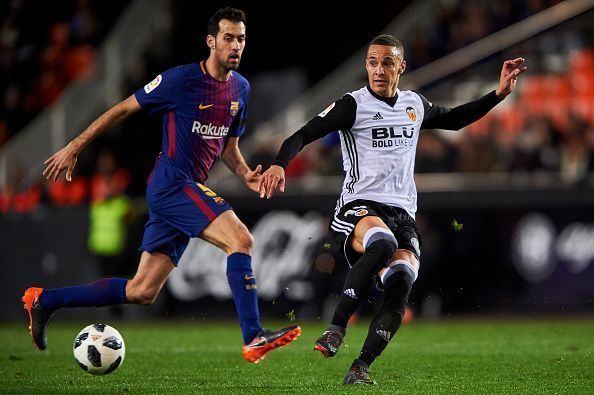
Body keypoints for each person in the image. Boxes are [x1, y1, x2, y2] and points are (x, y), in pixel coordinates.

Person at [23, 7, 301, 364]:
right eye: (228, 38)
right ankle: (253, 336)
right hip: (172, 184)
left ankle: (44, 300)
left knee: (141, 290)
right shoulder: (180, 80)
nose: (236, 46)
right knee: (241, 239)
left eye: (241, 38)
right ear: (211, 42)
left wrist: (245, 173)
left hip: (186, 189)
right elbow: (123, 108)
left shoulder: (241, 89)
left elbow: (228, 148)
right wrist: (74, 147)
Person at [258, 34, 525, 384]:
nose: (378, 69)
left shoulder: (413, 104)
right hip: (358, 207)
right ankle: (336, 328)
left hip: (403, 214)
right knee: (381, 243)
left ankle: (361, 367)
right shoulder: (352, 105)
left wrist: (499, 94)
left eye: (387, 62)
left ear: (401, 67)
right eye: (372, 62)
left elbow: (456, 118)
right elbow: (304, 134)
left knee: (403, 280)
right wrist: (280, 163)